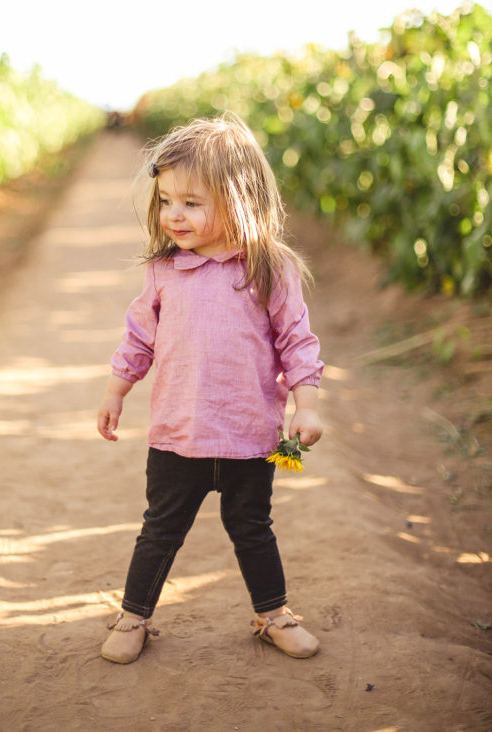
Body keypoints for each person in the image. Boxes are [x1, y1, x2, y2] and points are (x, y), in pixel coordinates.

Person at [97, 112, 324, 664]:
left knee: (252, 528)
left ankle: (273, 615)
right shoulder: (164, 272)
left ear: (239, 198)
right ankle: (134, 617)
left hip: (251, 435)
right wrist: (116, 391)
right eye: (166, 200)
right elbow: (139, 340)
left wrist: (308, 405)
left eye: (191, 202)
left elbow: (297, 340)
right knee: (160, 530)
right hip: (177, 435)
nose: (174, 215)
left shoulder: (268, 268)